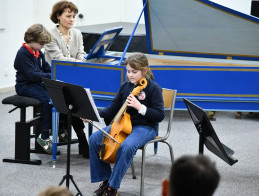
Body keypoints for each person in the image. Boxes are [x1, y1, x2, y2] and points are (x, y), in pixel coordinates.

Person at [82, 53, 165, 196]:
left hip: (145, 127)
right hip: (123, 126)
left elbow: (159, 115)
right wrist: (93, 114)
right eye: (128, 71)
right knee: (94, 139)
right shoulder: (125, 87)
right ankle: (106, 180)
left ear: (144, 71)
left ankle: (113, 187)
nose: (130, 75)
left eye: (134, 72)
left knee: (127, 146)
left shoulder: (153, 88)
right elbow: (113, 108)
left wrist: (140, 107)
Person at [14, 24, 89, 158]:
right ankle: (44, 135)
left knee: (62, 94)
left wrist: (59, 73)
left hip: (36, 84)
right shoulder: (23, 53)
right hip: (25, 86)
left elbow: (47, 68)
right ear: (31, 40)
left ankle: (62, 127)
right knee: (47, 99)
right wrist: (53, 76)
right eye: (41, 43)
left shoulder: (37, 52)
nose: (43, 46)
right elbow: (32, 75)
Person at [44, 0, 86, 64]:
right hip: (54, 72)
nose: (72, 20)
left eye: (73, 16)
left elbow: (81, 54)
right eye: (68, 16)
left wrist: (84, 60)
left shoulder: (77, 33)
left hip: (74, 70)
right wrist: (76, 61)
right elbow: (58, 58)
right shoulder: (49, 34)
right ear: (58, 16)